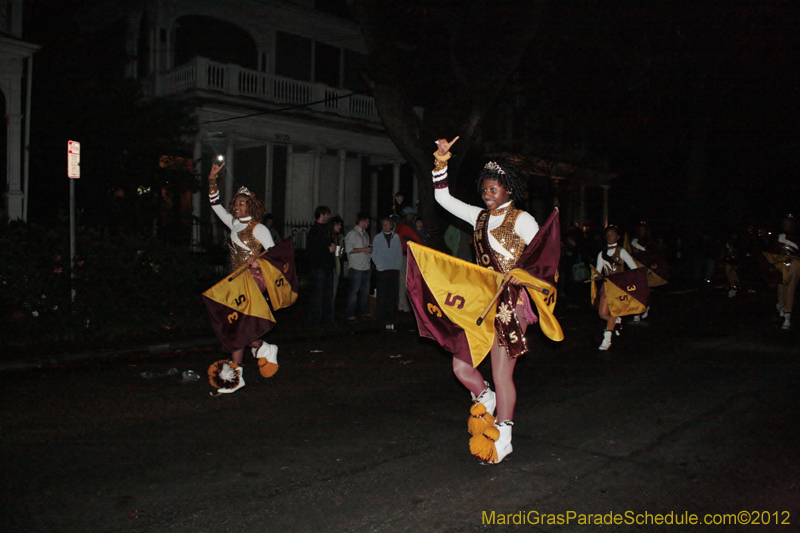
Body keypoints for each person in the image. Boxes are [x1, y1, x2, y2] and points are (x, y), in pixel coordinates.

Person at [431, 136, 540, 464]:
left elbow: (542, 260)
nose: (488, 195)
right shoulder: (478, 217)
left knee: (502, 371)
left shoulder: (522, 220)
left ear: (508, 189)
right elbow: (443, 198)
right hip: (482, 302)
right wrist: (441, 161)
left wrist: (525, 276)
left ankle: (504, 436)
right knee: (461, 365)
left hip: (512, 303)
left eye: (494, 189)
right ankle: (484, 395)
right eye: (485, 190)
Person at [207, 162, 278, 392]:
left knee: (237, 328)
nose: (236, 206)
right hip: (236, 281)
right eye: (235, 203)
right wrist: (212, 180)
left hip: (255, 281)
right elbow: (215, 205)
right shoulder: (233, 224)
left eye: (241, 203)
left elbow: (275, 254)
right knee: (236, 328)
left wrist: (260, 260)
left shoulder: (259, 229)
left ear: (250, 206)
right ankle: (263, 347)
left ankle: (235, 376)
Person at [593, 225, 639, 351]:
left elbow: (634, 268)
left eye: (612, 234)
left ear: (618, 237)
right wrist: (597, 276)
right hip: (607, 286)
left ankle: (607, 338)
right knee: (602, 314)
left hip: (619, 287)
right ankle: (617, 321)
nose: (609, 237)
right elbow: (597, 271)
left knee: (613, 311)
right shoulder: (601, 254)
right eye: (607, 235)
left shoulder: (622, 251)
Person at [371, 217, 403, 325]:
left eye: (387, 224)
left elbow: (399, 252)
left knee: (392, 293)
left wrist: (398, 265)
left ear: (391, 226)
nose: (385, 226)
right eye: (383, 224)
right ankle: (380, 315)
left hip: (394, 269)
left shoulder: (396, 237)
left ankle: (391, 314)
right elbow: (374, 253)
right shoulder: (378, 238)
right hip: (382, 269)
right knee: (382, 292)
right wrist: (378, 265)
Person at [307, 206, 335, 325]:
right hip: (319, 267)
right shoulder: (314, 230)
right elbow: (313, 249)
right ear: (322, 214)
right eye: (328, 214)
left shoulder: (326, 229)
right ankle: (315, 320)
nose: (329, 217)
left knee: (327, 294)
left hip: (327, 267)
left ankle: (325, 318)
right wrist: (327, 249)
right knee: (318, 295)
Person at [771, 214, 799, 330]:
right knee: (781, 289)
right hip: (781, 265)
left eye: (788, 222)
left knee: (790, 289)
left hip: (795, 265)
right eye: (785, 222)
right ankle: (781, 312)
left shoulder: (798, 237)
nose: (786, 225)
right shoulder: (779, 237)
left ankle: (787, 317)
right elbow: (773, 252)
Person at [344, 213, 373, 322]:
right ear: (362, 221)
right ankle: (350, 313)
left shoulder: (365, 234)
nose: (369, 224)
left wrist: (368, 252)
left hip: (365, 266)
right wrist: (363, 250)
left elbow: (365, 248)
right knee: (354, 291)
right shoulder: (352, 234)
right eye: (367, 221)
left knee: (365, 291)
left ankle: (364, 311)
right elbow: (349, 249)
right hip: (356, 267)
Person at [330, 216, 345, 317]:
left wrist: (341, 253)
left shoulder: (340, 237)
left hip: (336, 265)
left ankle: (331, 313)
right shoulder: (328, 236)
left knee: (334, 291)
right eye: (338, 224)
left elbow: (342, 250)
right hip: (329, 266)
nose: (340, 227)